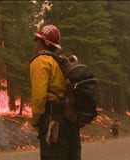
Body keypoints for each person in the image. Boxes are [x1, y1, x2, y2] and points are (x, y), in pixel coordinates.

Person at [29, 24, 81, 160]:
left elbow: (39, 96)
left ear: (43, 42)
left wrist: (35, 121)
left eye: (37, 39)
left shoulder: (40, 61)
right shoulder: (61, 62)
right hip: (71, 121)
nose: (35, 42)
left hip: (54, 123)